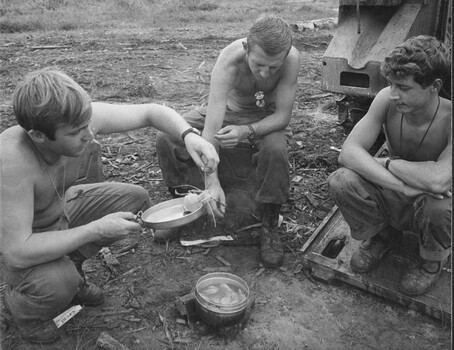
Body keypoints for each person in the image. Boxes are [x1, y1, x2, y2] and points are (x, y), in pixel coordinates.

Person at [0, 68, 219, 344]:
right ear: (39, 136)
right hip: (28, 239)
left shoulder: (73, 120)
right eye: (77, 132)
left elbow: (150, 112)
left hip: (62, 209)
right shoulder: (11, 161)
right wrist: (96, 230)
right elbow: (17, 252)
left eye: (88, 124)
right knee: (58, 284)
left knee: (136, 197)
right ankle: (22, 309)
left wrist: (189, 136)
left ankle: (73, 269)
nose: (90, 135)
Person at [156, 15, 301, 268]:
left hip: (264, 119)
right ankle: (188, 207)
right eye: (258, 64)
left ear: (285, 56)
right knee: (168, 137)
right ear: (246, 49)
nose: (265, 72)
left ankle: (268, 223)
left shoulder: (291, 59)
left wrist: (247, 130)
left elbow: (282, 116)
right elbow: (211, 127)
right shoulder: (228, 60)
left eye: (273, 67)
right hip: (225, 114)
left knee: (276, 148)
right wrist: (212, 182)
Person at [327, 35, 451, 296]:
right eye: (391, 84)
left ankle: (432, 259)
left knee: (441, 205)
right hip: (402, 192)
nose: (394, 94)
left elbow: (439, 181)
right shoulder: (386, 99)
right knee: (342, 179)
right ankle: (384, 234)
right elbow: (348, 153)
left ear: (434, 86)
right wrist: (401, 185)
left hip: (433, 200)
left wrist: (388, 163)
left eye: (404, 88)